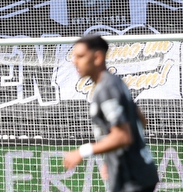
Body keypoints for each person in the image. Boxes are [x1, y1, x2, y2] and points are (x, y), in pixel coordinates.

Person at [62, 35, 159, 192]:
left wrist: (82, 151)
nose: (74, 61)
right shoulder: (115, 82)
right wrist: (113, 156)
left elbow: (122, 136)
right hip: (138, 173)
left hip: (132, 178)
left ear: (98, 57)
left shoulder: (106, 88)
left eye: (80, 56)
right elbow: (140, 119)